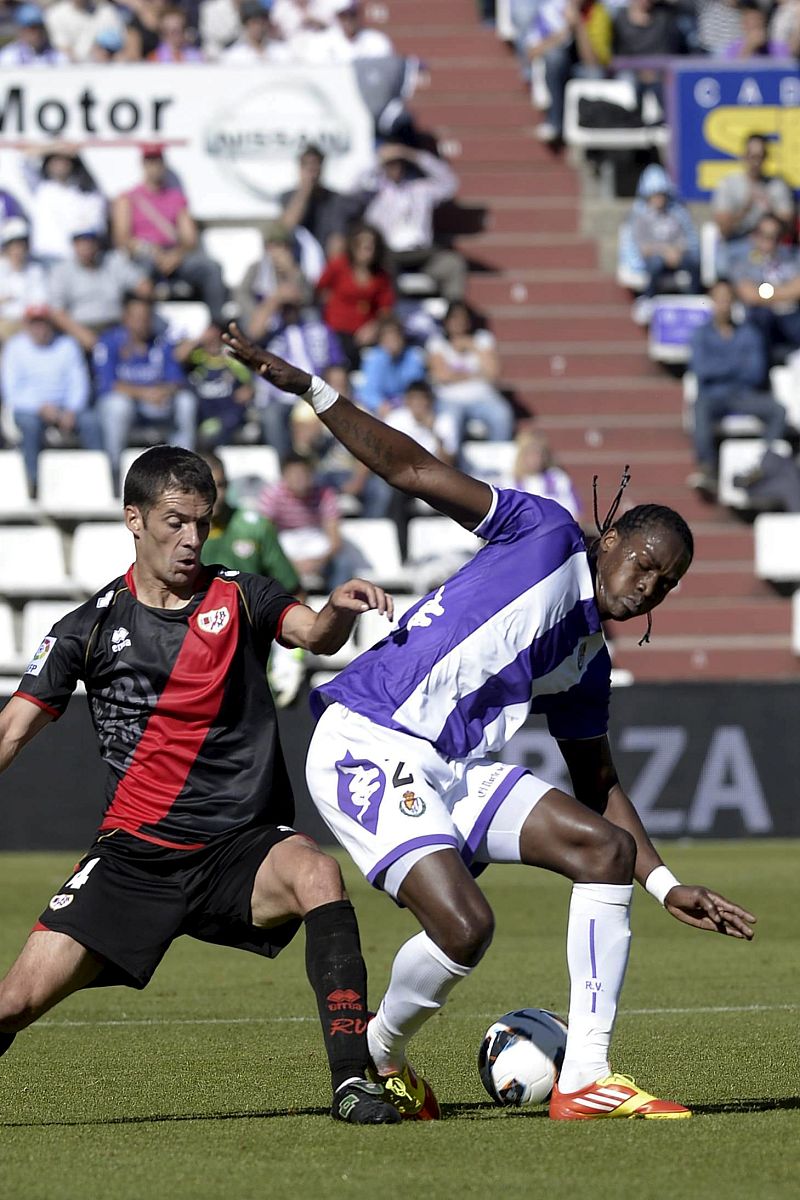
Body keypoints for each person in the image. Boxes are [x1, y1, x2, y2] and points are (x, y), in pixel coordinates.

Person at [221, 326, 757, 1123]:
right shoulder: (539, 530)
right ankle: (380, 1054)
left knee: (603, 851)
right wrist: (311, 388)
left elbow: (599, 782)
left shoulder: (589, 659)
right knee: (466, 926)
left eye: (666, 583)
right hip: (369, 738)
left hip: (450, 764)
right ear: (608, 539)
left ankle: (585, 1079)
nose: (648, 587)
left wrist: (666, 882)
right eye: (643, 563)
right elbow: (411, 468)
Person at [0, 445, 400, 1125]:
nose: (191, 539)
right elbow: (11, 731)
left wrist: (337, 609)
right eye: (175, 522)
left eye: (202, 524)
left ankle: (353, 1081)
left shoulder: (241, 592)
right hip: (133, 859)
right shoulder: (88, 628)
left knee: (318, 877)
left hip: (236, 849)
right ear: (134, 518)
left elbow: (313, 635)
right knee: (13, 1003)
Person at [200, 451, 307, 707]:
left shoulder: (255, 527)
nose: (218, 494)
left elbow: (293, 590)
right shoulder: (174, 535)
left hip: (253, 657)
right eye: (208, 486)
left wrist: (290, 654)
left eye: (222, 485)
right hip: (196, 657)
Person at [687, 279, 786, 494]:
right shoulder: (701, 335)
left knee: (778, 410)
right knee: (700, 407)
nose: (723, 305)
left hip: (743, 395)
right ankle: (707, 468)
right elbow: (701, 370)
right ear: (711, 302)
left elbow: (756, 372)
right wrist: (736, 366)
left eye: (727, 300)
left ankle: (764, 464)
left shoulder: (749, 333)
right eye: (719, 300)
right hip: (714, 397)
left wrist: (720, 368)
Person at [112, 145, 227, 324]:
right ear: (143, 165)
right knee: (136, 276)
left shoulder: (176, 198)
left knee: (211, 268)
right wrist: (150, 251)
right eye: (150, 162)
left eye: (157, 162)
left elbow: (190, 239)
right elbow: (122, 239)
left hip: (173, 256)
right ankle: (138, 328)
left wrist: (175, 256)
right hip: (143, 255)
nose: (154, 167)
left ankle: (216, 326)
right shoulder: (128, 198)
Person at [94, 293, 197, 490]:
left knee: (186, 401)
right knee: (118, 406)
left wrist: (163, 391)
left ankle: (185, 471)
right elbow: (106, 383)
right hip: (126, 407)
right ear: (126, 318)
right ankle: (115, 472)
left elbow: (177, 380)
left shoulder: (160, 343)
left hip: (157, 405)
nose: (142, 322)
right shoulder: (109, 342)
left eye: (146, 317)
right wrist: (144, 394)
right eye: (136, 317)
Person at [1, 305, 99, 494]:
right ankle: (33, 483)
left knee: (91, 421)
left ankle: (96, 480)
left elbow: (78, 382)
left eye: (43, 323)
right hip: (29, 409)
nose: (39, 329)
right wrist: (40, 408)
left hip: (65, 409)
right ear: (27, 325)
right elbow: (11, 392)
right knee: (29, 425)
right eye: (34, 324)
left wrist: (71, 409)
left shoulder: (67, 345)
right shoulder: (15, 347)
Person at [363, 145, 467, 302]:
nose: (395, 168)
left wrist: (413, 155)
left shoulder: (420, 190)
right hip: (391, 255)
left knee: (453, 264)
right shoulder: (376, 195)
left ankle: (453, 319)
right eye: (390, 164)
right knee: (380, 269)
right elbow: (350, 184)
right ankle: (389, 320)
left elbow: (450, 183)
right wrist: (378, 159)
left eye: (398, 163)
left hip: (422, 254)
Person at [259, 451, 361, 590]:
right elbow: (264, 533)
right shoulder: (272, 494)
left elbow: (335, 539)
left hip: (317, 544)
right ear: (284, 475)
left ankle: (337, 603)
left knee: (343, 563)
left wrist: (318, 562)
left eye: (303, 474)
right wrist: (288, 562)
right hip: (284, 545)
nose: (299, 479)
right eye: (294, 474)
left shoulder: (325, 494)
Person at [48, 227, 150, 353]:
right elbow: (56, 312)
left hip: (116, 327)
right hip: (81, 330)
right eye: (81, 242)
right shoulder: (62, 271)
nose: (86, 246)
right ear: (73, 244)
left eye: (90, 241)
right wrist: (84, 336)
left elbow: (144, 287)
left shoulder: (113, 261)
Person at [426, 301, 514, 445]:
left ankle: (497, 460)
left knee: (502, 415)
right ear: (447, 321)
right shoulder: (437, 343)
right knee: (449, 424)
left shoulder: (483, 339)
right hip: (450, 399)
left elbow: (493, 373)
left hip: (482, 397)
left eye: (463, 318)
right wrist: (475, 375)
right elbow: (441, 376)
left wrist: (472, 347)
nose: (459, 322)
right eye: (454, 318)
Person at [527, 0, 611, 144]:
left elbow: (592, 64)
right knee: (554, 58)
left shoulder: (598, 12)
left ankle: (591, 125)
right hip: (556, 72)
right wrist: (565, 31)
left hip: (582, 70)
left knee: (595, 75)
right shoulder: (549, 10)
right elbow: (532, 52)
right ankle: (554, 122)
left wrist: (578, 26)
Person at [625, 164, 700, 325]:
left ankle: (694, 298)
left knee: (693, 263)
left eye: (661, 194)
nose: (659, 198)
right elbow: (643, 248)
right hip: (656, 258)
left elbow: (687, 239)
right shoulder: (640, 217)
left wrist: (677, 251)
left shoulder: (677, 214)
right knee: (655, 265)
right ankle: (648, 299)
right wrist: (665, 252)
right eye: (654, 194)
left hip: (677, 256)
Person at [711, 134, 795, 275]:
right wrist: (745, 209)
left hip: (771, 245)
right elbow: (723, 229)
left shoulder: (777, 185)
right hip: (737, 244)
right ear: (744, 156)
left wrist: (771, 212)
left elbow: (788, 225)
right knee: (724, 266)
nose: (756, 162)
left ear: (766, 158)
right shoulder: (729, 184)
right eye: (752, 156)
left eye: (760, 156)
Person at [316, 223, 394, 368]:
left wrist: (374, 327)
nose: (366, 250)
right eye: (361, 245)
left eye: (370, 246)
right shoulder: (338, 266)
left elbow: (385, 308)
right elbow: (319, 289)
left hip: (364, 333)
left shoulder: (381, 276)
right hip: (336, 331)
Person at [729, 213, 800, 358]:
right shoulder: (742, 261)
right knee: (760, 320)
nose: (770, 241)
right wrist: (786, 293)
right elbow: (749, 295)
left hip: (791, 317)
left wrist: (765, 293)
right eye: (765, 235)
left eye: (775, 236)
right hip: (760, 318)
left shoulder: (792, 257)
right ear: (754, 235)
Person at [280, 145, 365, 260]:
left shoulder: (335, 200)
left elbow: (338, 238)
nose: (312, 169)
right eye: (307, 165)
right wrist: (305, 189)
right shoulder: (288, 197)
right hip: (297, 261)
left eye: (315, 164)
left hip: (327, 261)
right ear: (300, 168)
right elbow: (287, 227)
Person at [178, 323, 255, 448]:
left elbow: (249, 382)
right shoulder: (198, 356)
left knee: (233, 416)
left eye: (216, 338)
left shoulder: (231, 359)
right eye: (209, 338)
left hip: (226, 410)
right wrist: (199, 338)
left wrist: (249, 389)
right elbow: (178, 357)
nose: (212, 342)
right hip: (203, 408)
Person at [503, 428, 582, 521]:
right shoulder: (508, 482)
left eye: (538, 453)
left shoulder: (558, 478)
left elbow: (577, 513)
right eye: (529, 453)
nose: (535, 458)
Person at [356, 315, 426, 415]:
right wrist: (379, 404)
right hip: (379, 408)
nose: (393, 341)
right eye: (388, 337)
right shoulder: (373, 358)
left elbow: (415, 388)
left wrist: (402, 404)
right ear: (381, 340)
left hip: (406, 406)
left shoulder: (413, 356)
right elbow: (369, 392)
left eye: (396, 336)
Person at [0, 219, 48, 344]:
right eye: (13, 245)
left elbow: (39, 303)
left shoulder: (36, 270)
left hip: (30, 324)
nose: (18, 250)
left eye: (21, 245)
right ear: (6, 248)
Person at [44, 0, 127, 62]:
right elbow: (63, 49)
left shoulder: (108, 12)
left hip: (106, 67)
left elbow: (120, 47)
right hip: (72, 71)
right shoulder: (55, 15)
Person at [0, 4, 67, 65]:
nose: (36, 33)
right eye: (31, 28)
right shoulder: (8, 56)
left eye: (39, 27)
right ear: (21, 31)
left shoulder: (57, 55)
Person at [722, 0, 790, 56]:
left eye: (757, 21)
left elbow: (783, 69)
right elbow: (732, 70)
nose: (753, 25)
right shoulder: (733, 48)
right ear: (743, 24)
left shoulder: (778, 47)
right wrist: (748, 48)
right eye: (749, 22)